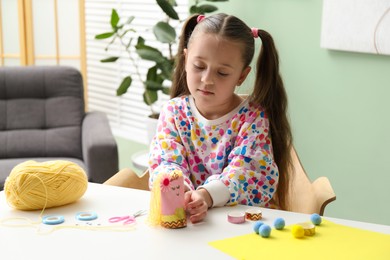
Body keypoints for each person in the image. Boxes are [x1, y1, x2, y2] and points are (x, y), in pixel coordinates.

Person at [147, 13, 293, 224]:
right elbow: (165, 159)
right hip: (189, 223)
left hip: (242, 227)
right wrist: (181, 193)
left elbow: (247, 171)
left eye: (222, 73)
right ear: (186, 59)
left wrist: (207, 195)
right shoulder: (173, 112)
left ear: (241, 76)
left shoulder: (252, 118)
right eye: (199, 66)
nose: (207, 80)